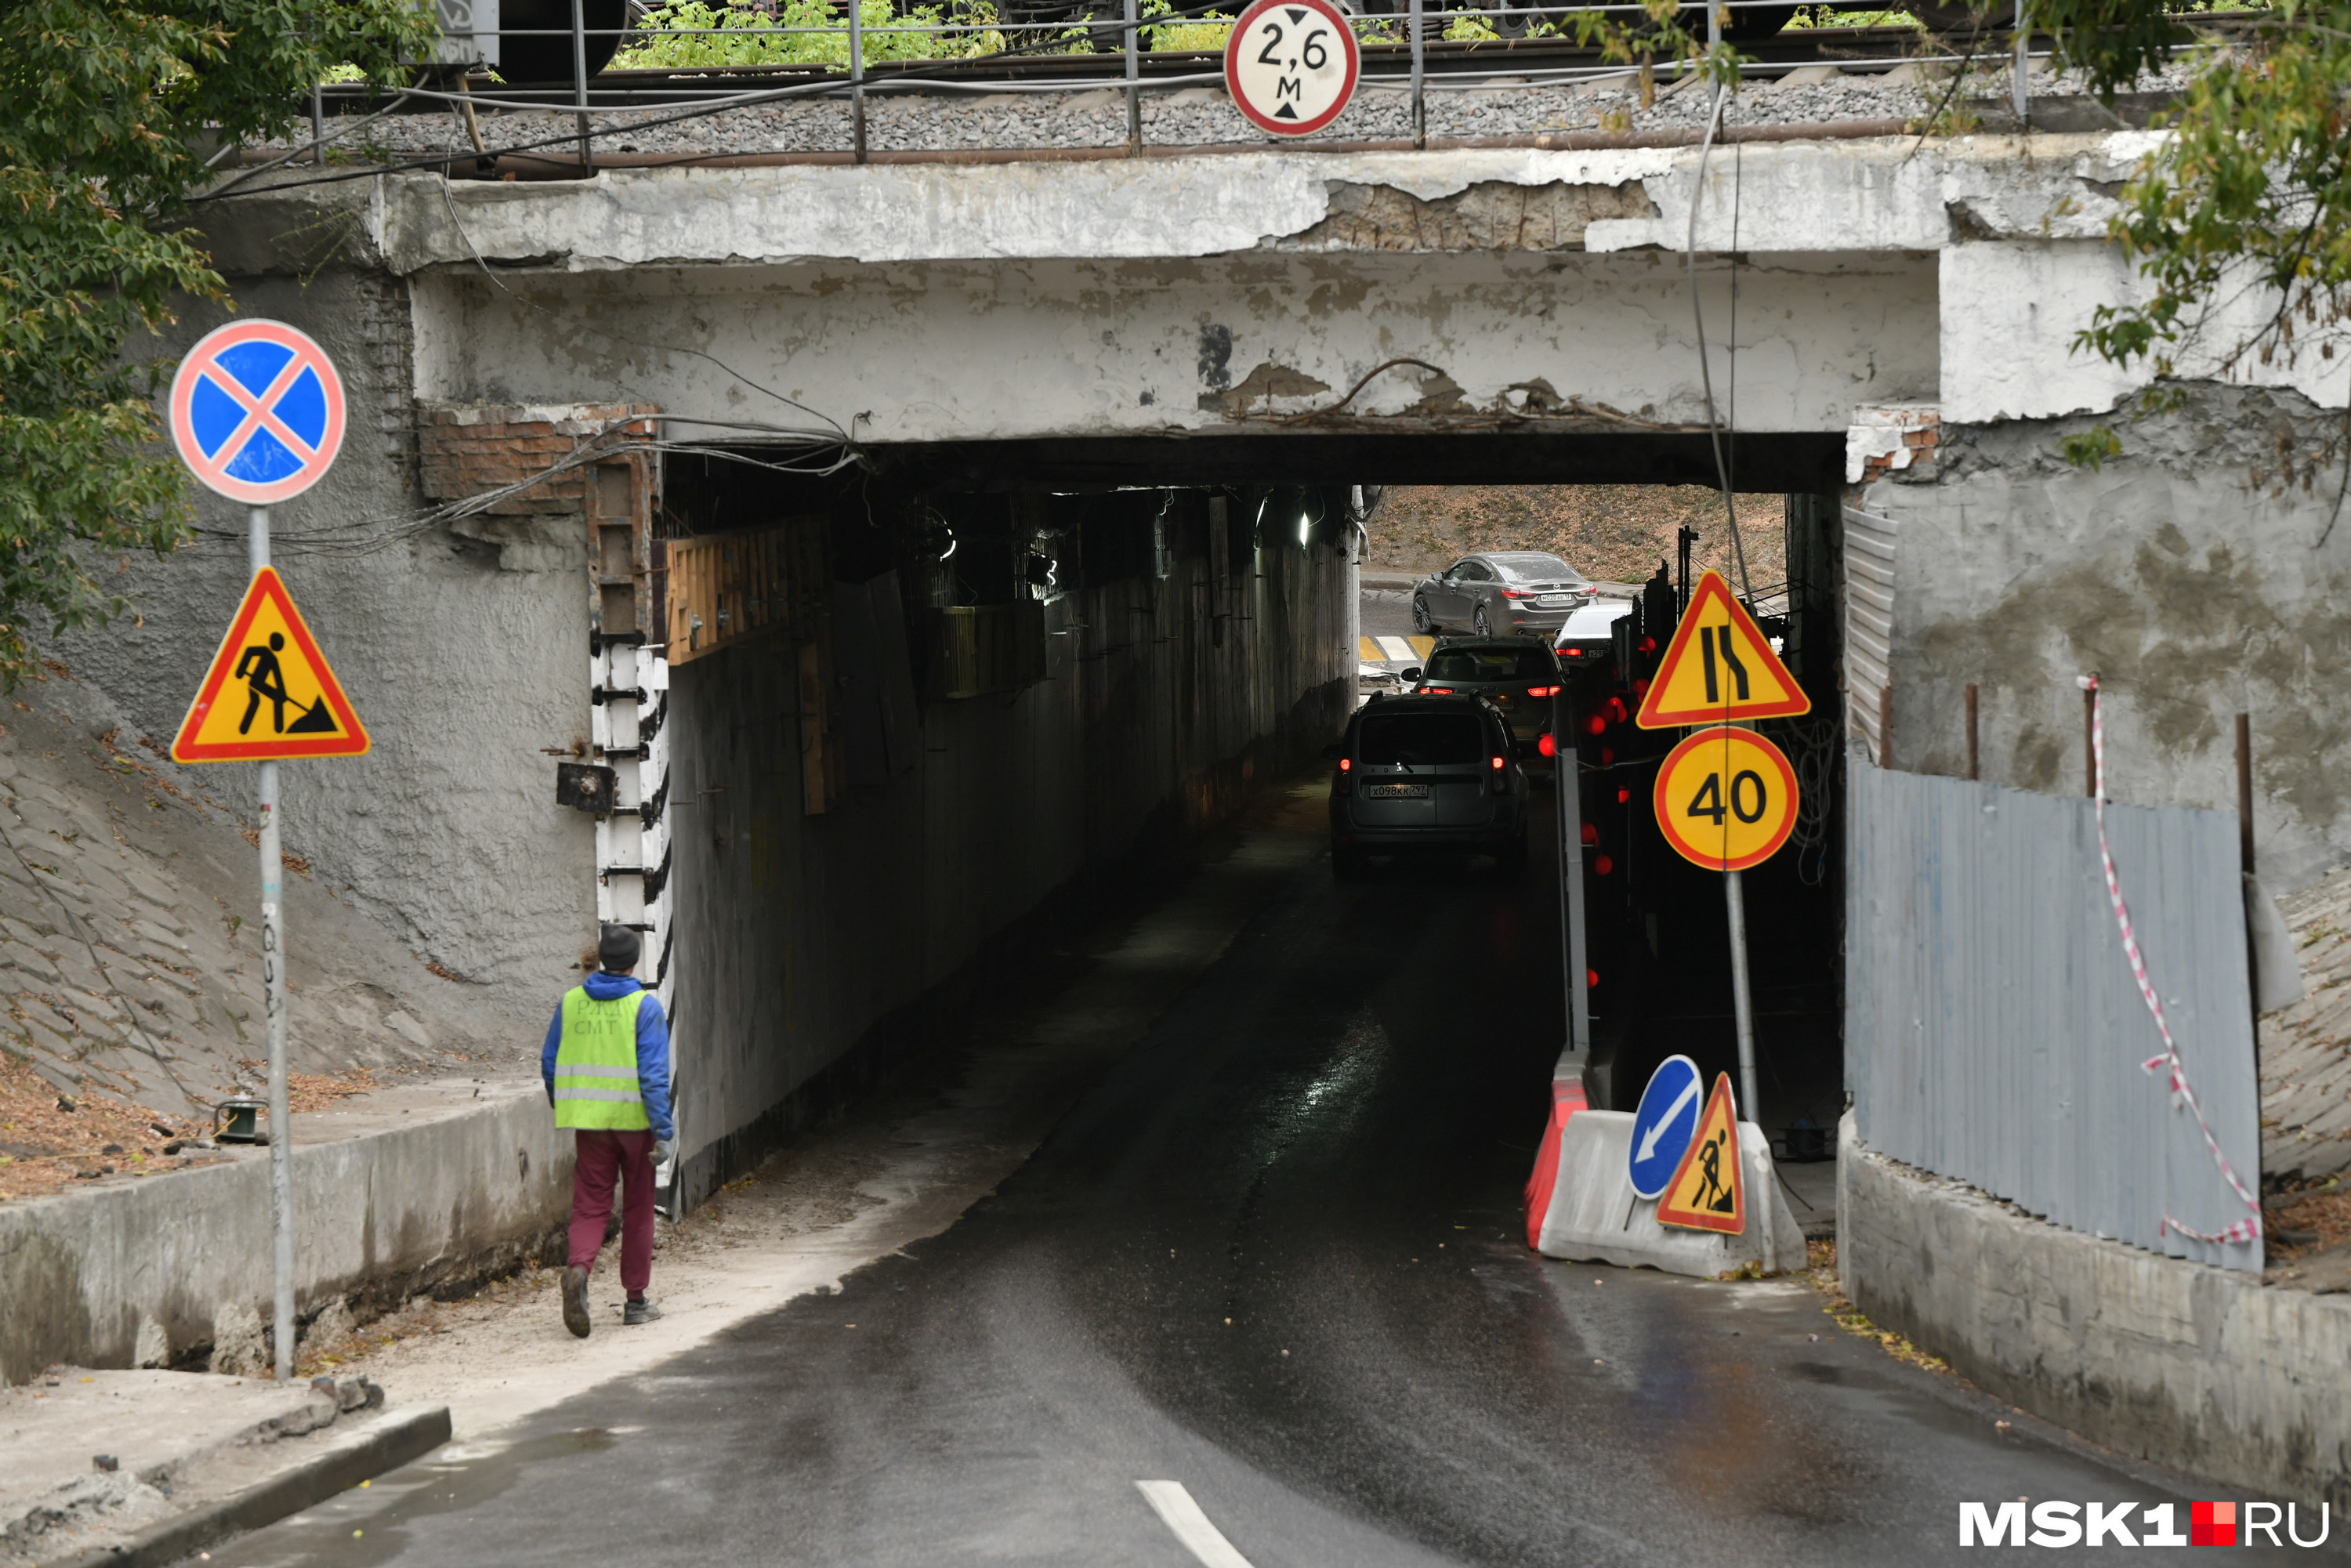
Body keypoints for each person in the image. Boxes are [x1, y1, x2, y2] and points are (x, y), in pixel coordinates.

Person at [544, 924, 674, 1337]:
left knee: (589, 1205)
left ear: (600, 960)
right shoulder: (645, 1007)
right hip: (636, 1126)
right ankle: (635, 1302)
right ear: (634, 963)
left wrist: (565, 1103)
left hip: (589, 1125)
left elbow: (550, 1064)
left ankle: (579, 1269)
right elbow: (654, 1077)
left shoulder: (571, 1003)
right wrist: (664, 1130)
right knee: (638, 1209)